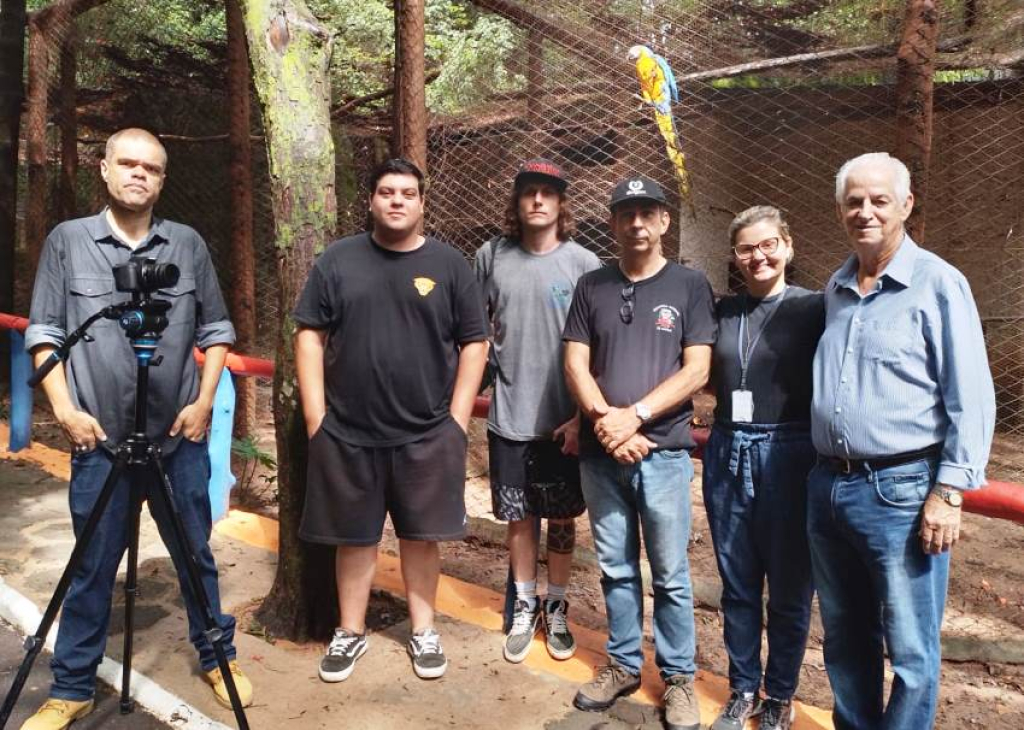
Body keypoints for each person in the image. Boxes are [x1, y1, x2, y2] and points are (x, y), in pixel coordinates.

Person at [23, 128, 251, 730]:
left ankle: (216, 658)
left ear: (162, 178)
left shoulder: (188, 244)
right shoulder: (69, 242)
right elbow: (44, 333)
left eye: (150, 167)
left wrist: (204, 402)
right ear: (104, 169)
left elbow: (217, 331)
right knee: (93, 566)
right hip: (98, 440)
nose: (138, 174)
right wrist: (66, 411)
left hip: (177, 440)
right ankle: (70, 687)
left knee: (195, 556)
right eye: (127, 163)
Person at [809, 152, 995, 730]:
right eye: (853, 202)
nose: (864, 212)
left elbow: (973, 395)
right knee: (844, 640)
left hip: (902, 492)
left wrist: (950, 492)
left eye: (878, 200)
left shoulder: (938, 284)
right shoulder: (835, 287)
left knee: (911, 650)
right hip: (828, 487)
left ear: (906, 206)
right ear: (841, 210)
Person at [293, 158, 489, 683]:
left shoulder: (450, 266)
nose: (397, 200)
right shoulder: (338, 261)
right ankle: (349, 632)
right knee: (354, 538)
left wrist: (456, 420)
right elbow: (309, 334)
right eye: (386, 192)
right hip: (348, 432)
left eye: (407, 193)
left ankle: (423, 631)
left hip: (427, 433)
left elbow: (475, 342)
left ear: (422, 203)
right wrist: (317, 418)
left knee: (421, 537)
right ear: (373, 201)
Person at [563, 175, 716, 730]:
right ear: (613, 223)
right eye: (626, 213)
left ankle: (678, 678)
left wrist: (636, 416)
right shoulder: (592, 285)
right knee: (616, 568)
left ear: (664, 221)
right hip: (603, 456)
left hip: (664, 453)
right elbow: (576, 363)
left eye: (647, 212)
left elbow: (697, 368)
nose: (636, 223)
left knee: (671, 574)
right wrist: (607, 422)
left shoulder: (690, 285)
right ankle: (624, 663)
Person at [474, 159, 602, 664]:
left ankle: (557, 605)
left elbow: (599, 345)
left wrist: (582, 416)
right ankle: (524, 604)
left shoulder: (584, 264)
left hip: (564, 420)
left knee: (565, 518)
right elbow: (470, 323)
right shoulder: (491, 255)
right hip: (510, 413)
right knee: (520, 516)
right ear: (517, 200)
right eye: (528, 191)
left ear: (560, 202)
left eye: (548, 192)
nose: (538, 200)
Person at [703, 206, 823, 730]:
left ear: (788, 246)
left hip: (790, 452)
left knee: (791, 585)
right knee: (738, 582)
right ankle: (743, 686)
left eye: (769, 244)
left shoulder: (816, 307)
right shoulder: (723, 312)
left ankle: (779, 693)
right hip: (728, 448)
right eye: (748, 248)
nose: (759, 256)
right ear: (735, 256)